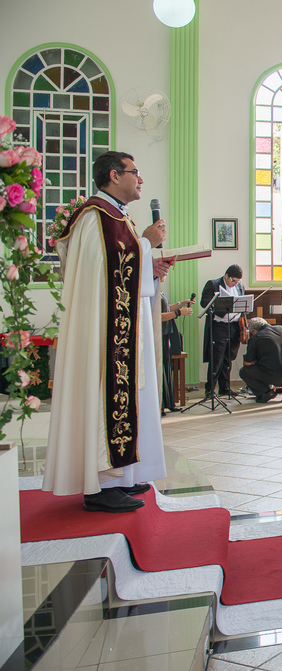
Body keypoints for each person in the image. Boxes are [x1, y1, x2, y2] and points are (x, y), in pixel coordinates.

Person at [44, 151, 174, 512]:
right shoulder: (96, 216)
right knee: (107, 396)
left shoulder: (115, 216)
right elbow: (107, 268)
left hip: (122, 329)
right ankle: (99, 487)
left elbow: (120, 269)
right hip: (104, 336)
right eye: (135, 172)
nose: (141, 179)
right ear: (115, 176)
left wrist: (150, 264)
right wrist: (146, 242)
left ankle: (121, 477)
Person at [200, 264, 246, 399]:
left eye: (237, 282)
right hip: (219, 326)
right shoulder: (213, 284)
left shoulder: (239, 286)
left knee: (228, 358)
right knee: (217, 358)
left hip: (234, 326)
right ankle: (210, 390)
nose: (235, 284)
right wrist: (219, 303)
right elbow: (204, 303)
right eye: (233, 281)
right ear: (226, 276)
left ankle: (224, 388)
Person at [239, 318, 282, 403]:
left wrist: (257, 360)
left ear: (254, 330)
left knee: (244, 371)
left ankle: (266, 392)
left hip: (273, 375)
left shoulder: (256, 338)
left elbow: (247, 363)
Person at [160, 292, 193, 413]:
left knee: (167, 369)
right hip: (157, 335)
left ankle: (169, 403)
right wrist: (178, 313)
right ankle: (160, 404)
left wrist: (181, 304)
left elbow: (165, 308)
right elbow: (157, 315)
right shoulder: (151, 290)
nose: (166, 274)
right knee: (161, 371)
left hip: (165, 333)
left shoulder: (159, 289)